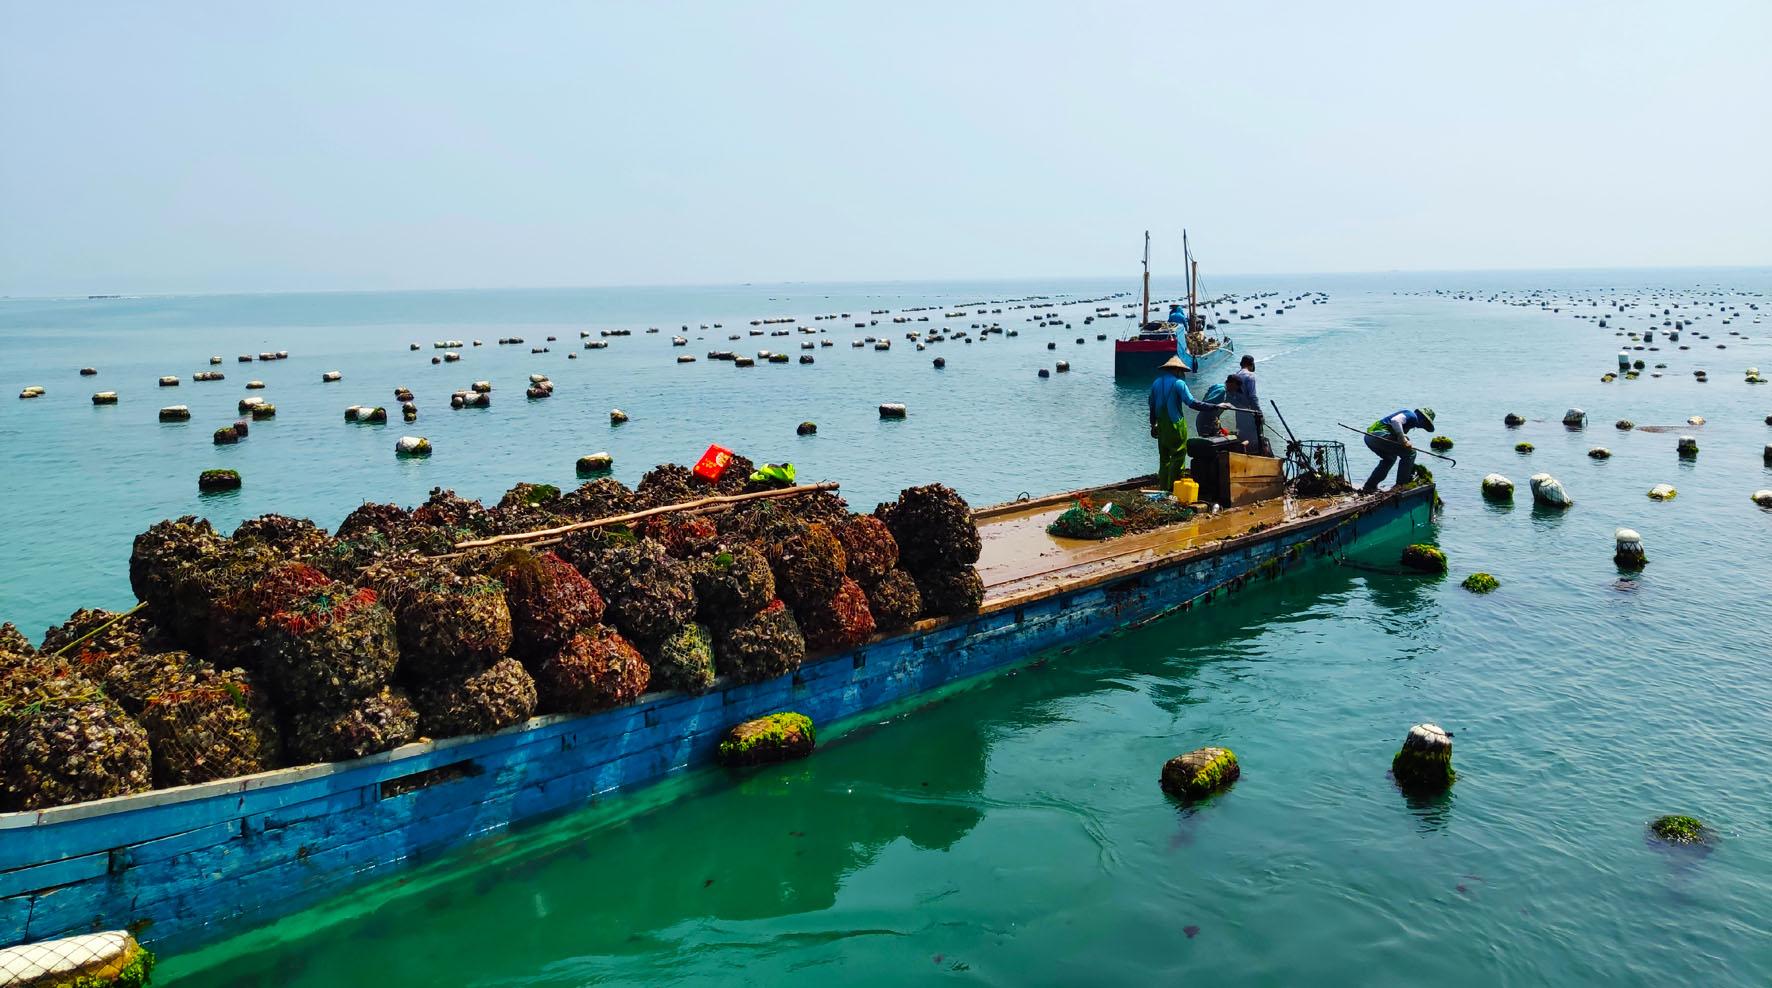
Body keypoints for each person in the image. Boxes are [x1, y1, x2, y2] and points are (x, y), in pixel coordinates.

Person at [1150, 354, 1231, 492]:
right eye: (1181, 371)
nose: (1183, 374)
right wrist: (1215, 406)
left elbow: (1151, 406)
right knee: (1179, 455)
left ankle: (1163, 488)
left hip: (1161, 426)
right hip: (1176, 425)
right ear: (1177, 370)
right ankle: (1172, 489)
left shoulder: (1156, 383)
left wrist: (1153, 424)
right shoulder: (1179, 384)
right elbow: (1192, 403)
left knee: (1164, 459)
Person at [1362, 407, 1436, 493]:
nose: (1423, 426)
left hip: (1369, 438)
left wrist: (1403, 438)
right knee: (1410, 453)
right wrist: (1402, 438)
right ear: (1423, 418)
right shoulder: (1412, 416)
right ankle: (1401, 486)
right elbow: (1395, 421)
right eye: (1425, 423)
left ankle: (1370, 485)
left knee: (1390, 459)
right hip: (1378, 435)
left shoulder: (1409, 423)